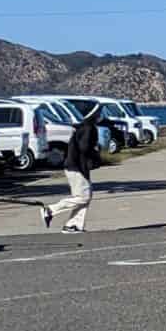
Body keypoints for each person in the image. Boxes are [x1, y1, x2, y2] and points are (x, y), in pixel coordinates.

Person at [39, 102, 107, 240]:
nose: (100, 115)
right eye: (98, 112)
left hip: (77, 166)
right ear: (93, 114)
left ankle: (73, 225)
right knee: (83, 197)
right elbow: (84, 148)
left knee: (84, 196)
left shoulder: (84, 127)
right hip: (76, 167)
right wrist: (96, 155)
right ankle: (51, 210)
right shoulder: (88, 128)